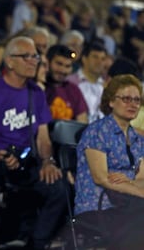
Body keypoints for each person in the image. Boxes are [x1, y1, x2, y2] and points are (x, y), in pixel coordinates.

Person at [0, 36, 66, 250]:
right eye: (27, 56)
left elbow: (43, 138)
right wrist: (0, 156)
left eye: (35, 56)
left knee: (59, 187)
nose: (34, 61)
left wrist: (48, 162)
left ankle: (37, 242)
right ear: (10, 61)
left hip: (27, 159)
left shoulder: (36, 93)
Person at [74, 74, 144, 249]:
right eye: (126, 98)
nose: (133, 104)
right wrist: (139, 190)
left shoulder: (138, 138)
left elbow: (142, 178)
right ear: (111, 101)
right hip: (98, 205)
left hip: (129, 201)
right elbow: (101, 178)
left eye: (137, 99)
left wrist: (129, 181)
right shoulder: (97, 131)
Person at [45, 44, 88, 122]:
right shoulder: (37, 89)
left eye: (67, 66)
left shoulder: (74, 90)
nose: (62, 70)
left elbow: (82, 123)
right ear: (47, 63)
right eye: (59, 64)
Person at [67, 42, 107, 123]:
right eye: (95, 57)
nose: (99, 62)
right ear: (84, 59)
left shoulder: (106, 86)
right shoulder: (70, 82)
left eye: (103, 59)